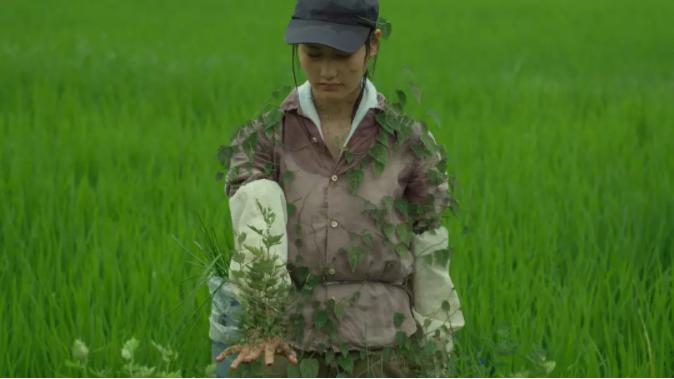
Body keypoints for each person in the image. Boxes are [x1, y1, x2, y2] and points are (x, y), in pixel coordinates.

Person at [210, 0, 465, 376]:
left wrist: (439, 346)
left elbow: (429, 249)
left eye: (342, 55)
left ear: (373, 44)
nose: (326, 71)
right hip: (289, 348)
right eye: (313, 54)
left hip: (385, 352)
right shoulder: (265, 139)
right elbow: (254, 230)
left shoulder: (409, 143)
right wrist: (264, 322)